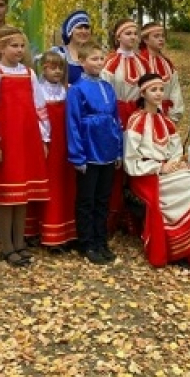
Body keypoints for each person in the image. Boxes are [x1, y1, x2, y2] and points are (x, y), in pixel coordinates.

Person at [124, 73, 190, 270]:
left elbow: (176, 150)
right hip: (144, 175)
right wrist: (159, 167)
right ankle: (181, 246)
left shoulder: (166, 121)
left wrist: (175, 164)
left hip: (166, 171)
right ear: (143, 93)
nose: (158, 93)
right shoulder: (136, 121)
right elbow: (130, 160)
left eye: (161, 89)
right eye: (153, 90)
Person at [0, 26, 50, 266]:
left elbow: (39, 106)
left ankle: (20, 242)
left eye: (22, 46)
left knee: (22, 193)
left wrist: (43, 138)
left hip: (27, 139)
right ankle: (6, 245)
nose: (19, 50)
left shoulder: (29, 73)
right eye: (14, 46)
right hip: (6, 139)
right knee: (6, 194)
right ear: (1, 48)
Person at [66, 42, 124, 264]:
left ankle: (101, 240)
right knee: (86, 199)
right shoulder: (76, 89)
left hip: (107, 149)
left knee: (103, 198)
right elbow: (72, 123)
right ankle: (87, 242)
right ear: (82, 62)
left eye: (101, 59)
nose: (99, 63)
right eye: (94, 59)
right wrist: (77, 155)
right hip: (89, 150)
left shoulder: (108, 87)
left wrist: (118, 150)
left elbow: (116, 119)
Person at [26, 52, 78, 250]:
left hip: (65, 144)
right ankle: (44, 231)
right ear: (43, 69)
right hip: (47, 144)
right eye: (52, 67)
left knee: (66, 184)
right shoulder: (37, 91)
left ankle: (65, 231)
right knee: (49, 185)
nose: (57, 72)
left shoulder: (68, 90)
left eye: (60, 68)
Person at [102, 19, 147, 128]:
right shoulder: (110, 62)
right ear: (118, 37)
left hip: (140, 114)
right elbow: (104, 93)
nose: (133, 37)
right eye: (128, 33)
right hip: (117, 115)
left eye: (135, 34)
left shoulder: (143, 62)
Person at [139, 22, 184, 123]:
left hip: (167, 116)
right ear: (145, 40)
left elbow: (175, 89)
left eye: (162, 36)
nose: (161, 39)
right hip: (146, 116)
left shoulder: (167, 63)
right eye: (156, 36)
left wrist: (174, 115)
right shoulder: (139, 62)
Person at [50, 10, 92, 85]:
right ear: (70, 31)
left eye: (86, 27)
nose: (84, 31)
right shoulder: (58, 53)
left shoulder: (95, 54)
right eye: (79, 27)